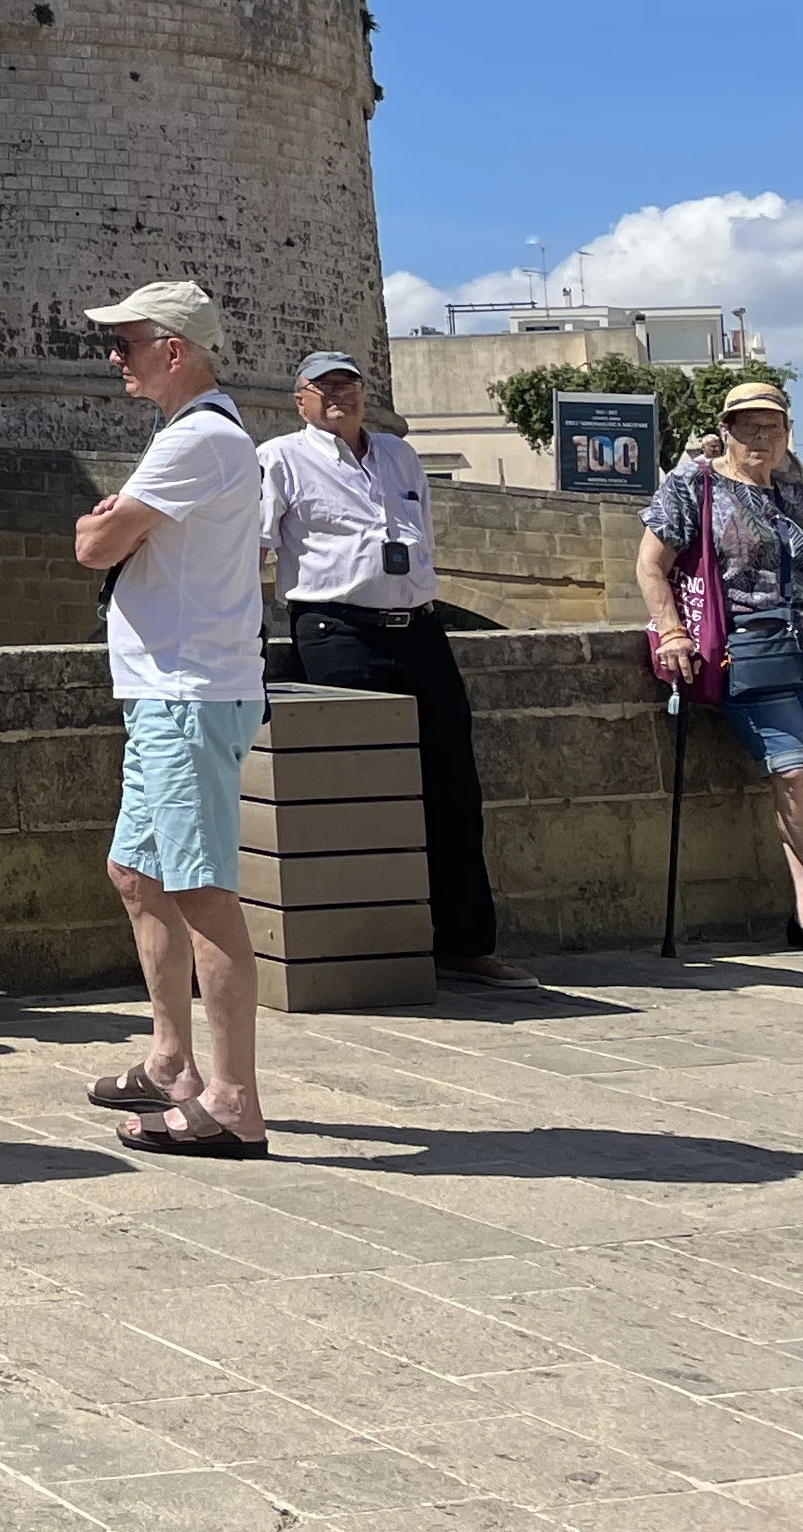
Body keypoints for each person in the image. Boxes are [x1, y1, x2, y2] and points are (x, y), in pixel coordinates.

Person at [75, 280, 271, 1159]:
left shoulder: (195, 439)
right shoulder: (188, 438)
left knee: (201, 894)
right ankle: (171, 1062)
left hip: (188, 695)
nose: (115, 357)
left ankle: (232, 1101)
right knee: (137, 873)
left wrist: (107, 523)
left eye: (127, 342)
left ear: (176, 349)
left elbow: (93, 547)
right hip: (168, 693)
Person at [265, 350, 523, 986]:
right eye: (324, 387)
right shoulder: (280, 458)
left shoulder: (400, 457)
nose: (339, 396)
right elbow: (255, 548)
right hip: (335, 630)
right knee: (354, 784)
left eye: (348, 385)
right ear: (299, 398)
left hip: (419, 629)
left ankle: (463, 942)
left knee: (453, 785)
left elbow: (423, 531)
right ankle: (358, 947)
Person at [640, 376, 803, 936]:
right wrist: (672, 632)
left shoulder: (797, 488)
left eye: (772, 425)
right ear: (725, 429)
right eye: (747, 425)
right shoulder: (696, 485)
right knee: (797, 777)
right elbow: (650, 565)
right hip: (748, 654)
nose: (761, 436)